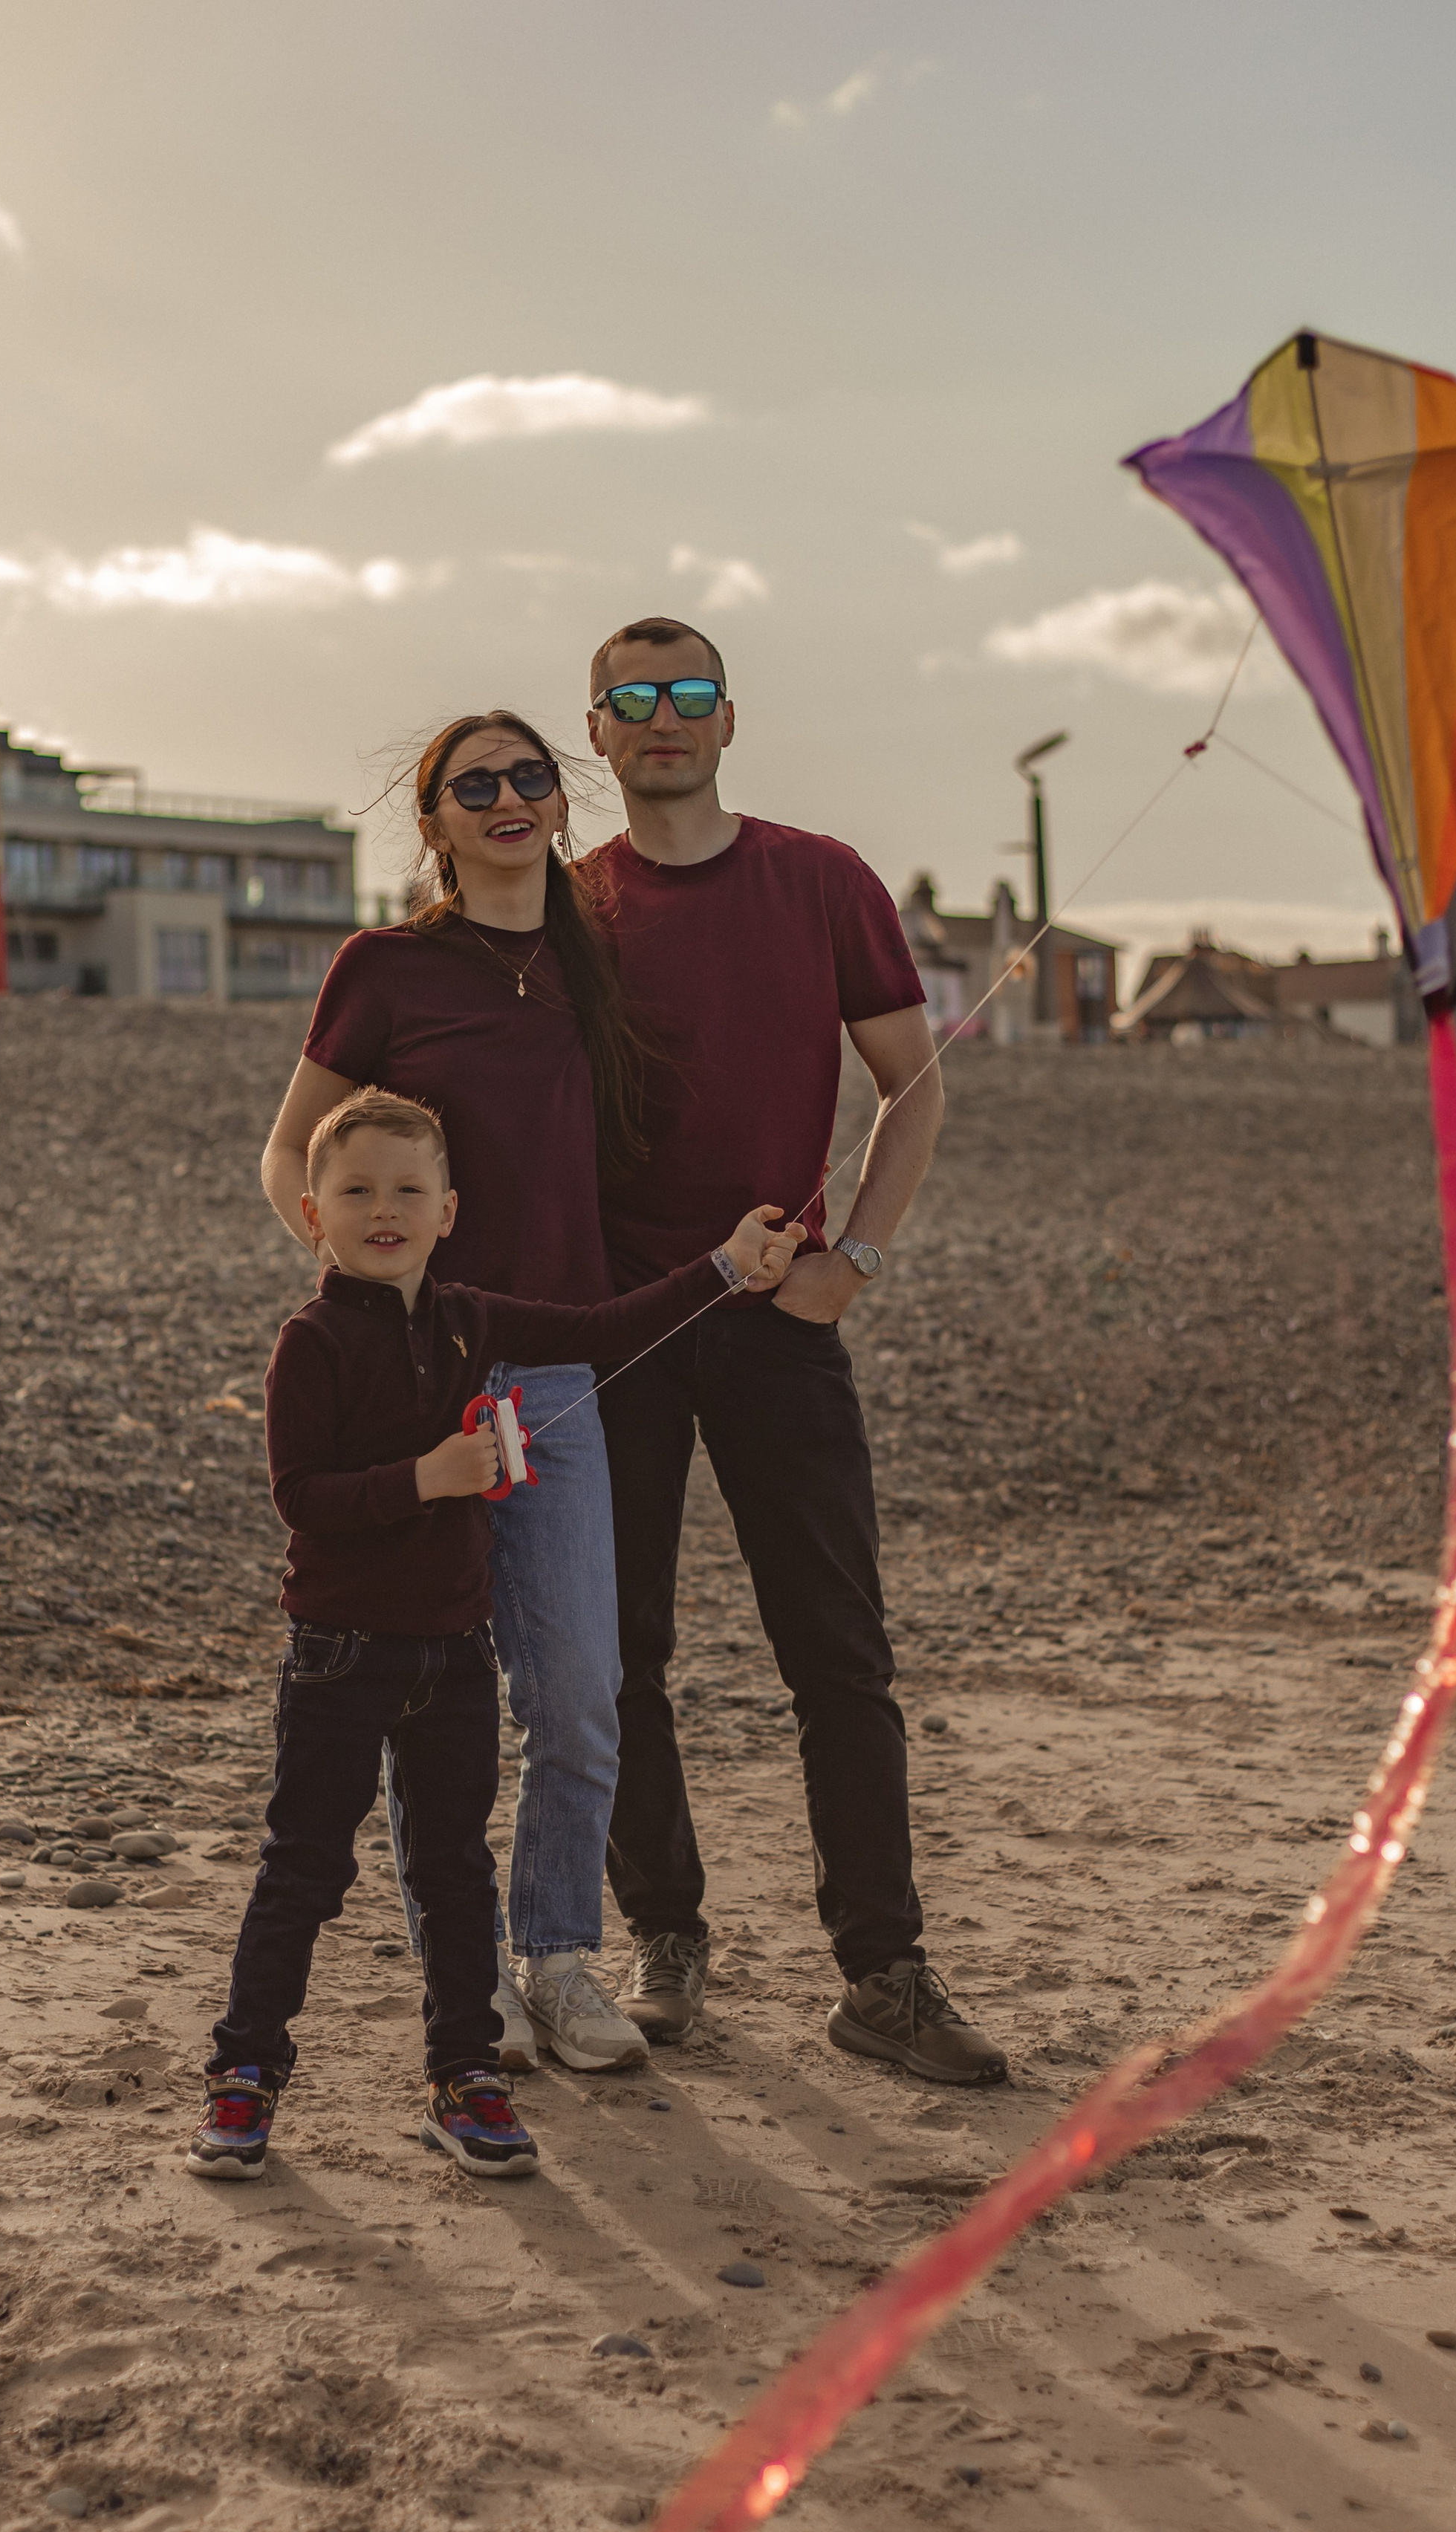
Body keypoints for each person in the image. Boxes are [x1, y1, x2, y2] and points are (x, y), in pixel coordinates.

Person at [188, 1085, 802, 2181]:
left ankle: (464, 2076)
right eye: (359, 1189)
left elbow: (603, 1328)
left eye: (410, 1189)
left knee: (459, 1872)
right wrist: (423, 1479)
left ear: (450, 1209)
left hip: (454, 1656)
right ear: (313, 1213)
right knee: (302, 1869)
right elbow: (301, 1495)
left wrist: (721, 1267)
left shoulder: (473, 1319)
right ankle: (243, 2078)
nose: (387, 1207)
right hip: (341, 1655)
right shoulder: (310, 1342)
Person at [577, 615, 1007, 2087]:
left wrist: (853, 1262)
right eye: (630, 699)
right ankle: (666, 1937)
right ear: (599, 735)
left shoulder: (820, 880)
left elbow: (911, 1087)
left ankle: (882, 1974)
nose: (661, 719)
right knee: (616, 1655)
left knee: (837, 1656)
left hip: (777, 1326)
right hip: (620, 1328)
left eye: (686, 693)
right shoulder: (569, 908)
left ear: (728, 718)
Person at [260, 711, 653, 2075]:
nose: (504, 797)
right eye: (470, 784)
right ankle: (462, 1977)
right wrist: (375, 1334)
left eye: (527, 776)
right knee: (415, 1681)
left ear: (560, 800)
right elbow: (287, 1171)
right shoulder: (385, 967)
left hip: (551, 1380)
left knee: (577, 1688)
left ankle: (556, 1958)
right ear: (431, 823)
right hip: (422, 1381)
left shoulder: (596, 960)